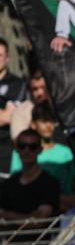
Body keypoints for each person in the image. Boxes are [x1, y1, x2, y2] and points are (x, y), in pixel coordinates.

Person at [0, 129, 60, 221]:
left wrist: (6, 215)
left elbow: (39, 221)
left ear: (40, 150)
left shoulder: (49, 183)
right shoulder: (9, 183)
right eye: (22, 146)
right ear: (16, 149)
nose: (27, 151)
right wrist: (28, 217)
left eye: (32, 147)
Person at [9, 102, 73, 183]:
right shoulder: (21, 151)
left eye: (51, 121)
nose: (48, 125)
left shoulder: (66, 153)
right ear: (33, 124)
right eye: (43, 121)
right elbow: (15, 180)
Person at [0, 38, 27, 176]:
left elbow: (8, 117)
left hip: (5, 151)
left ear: (7, 59)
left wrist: (5, 114)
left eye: (0, 55)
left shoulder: (17, 83)